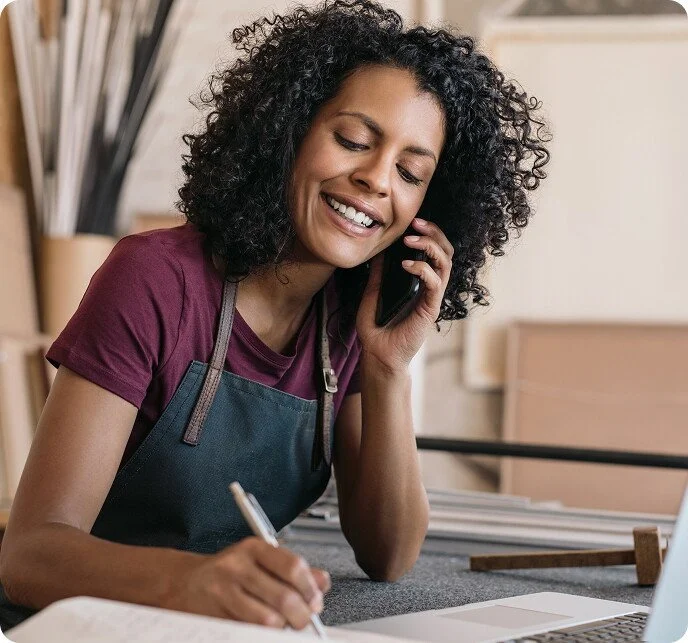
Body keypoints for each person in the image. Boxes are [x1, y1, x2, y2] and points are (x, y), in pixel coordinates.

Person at [0, 0, 551, 633]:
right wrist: (193, 583)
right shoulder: (154, 280)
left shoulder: (344, 319)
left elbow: (389, 555)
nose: (376, 179)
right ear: (288, 130)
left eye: (410, 171)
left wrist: (388, 368)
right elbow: (29, 555)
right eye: (352, 140)